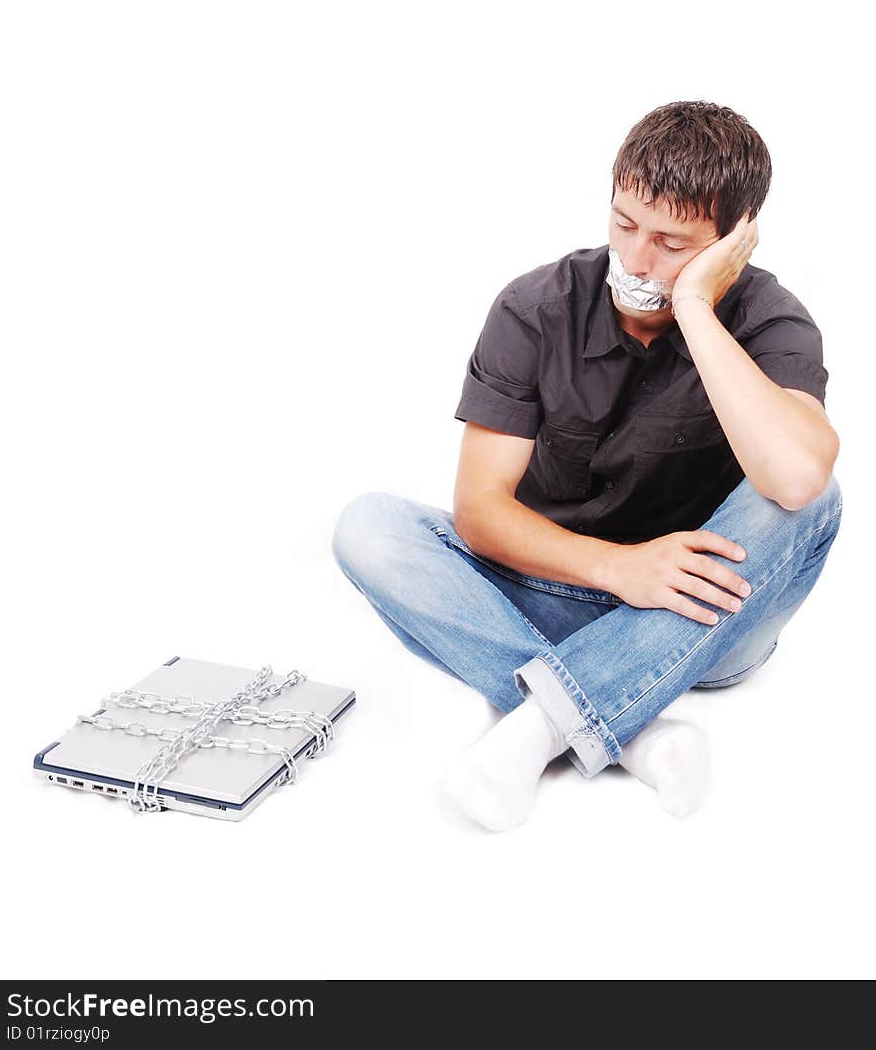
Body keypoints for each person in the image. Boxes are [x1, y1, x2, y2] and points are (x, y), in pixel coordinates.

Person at [331, 100, 842, 830]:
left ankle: (540, 728)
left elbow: (796, 480)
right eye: (625, 224)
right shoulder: (535, 307)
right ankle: (634, 727)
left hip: (705, 621)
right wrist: (616, 568)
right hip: (555, 588)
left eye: (672, 242)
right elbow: (480, 511)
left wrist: (695, 306)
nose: (636, 259)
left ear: (733, 242)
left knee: (809, 495)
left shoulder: (772, 319)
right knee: (368, 525)